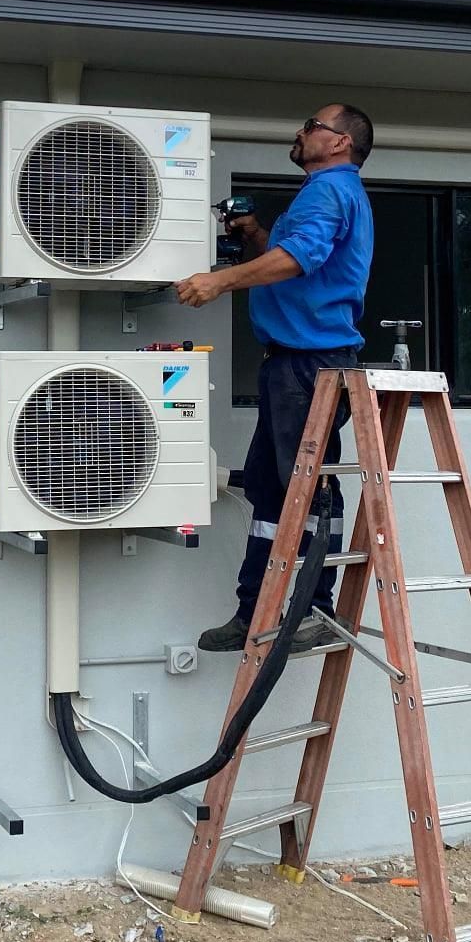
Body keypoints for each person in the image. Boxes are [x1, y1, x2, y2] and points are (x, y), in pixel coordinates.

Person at [175, 104, 375, 654]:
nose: (300, 130)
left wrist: (219, 283)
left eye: (312, 125)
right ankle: (254, 610)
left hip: (311, 363)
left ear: (339, 143)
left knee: (308, 488)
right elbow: (290, 257)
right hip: (291, 362)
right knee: (269, 487)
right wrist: (257, 234)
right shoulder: (322, 192)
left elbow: (298, 260)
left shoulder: (329, 191)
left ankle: (316, 609)